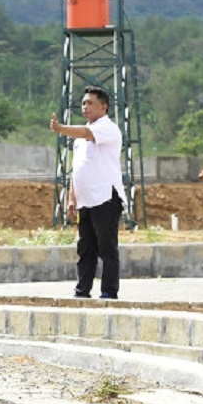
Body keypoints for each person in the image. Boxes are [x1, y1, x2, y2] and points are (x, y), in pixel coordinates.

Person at [52, 86, 124, 300]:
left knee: (107, 248)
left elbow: (86, 133)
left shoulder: (108, 128)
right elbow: (76, 170)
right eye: (83, 103)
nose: (85, 107)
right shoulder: (79, 139)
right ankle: (82, 291)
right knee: (86, 248)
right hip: (86, 201)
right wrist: (72, 200)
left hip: (105, 198)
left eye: (90, 103)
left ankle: (109, 292)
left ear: (104, 106)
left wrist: (60, 128)